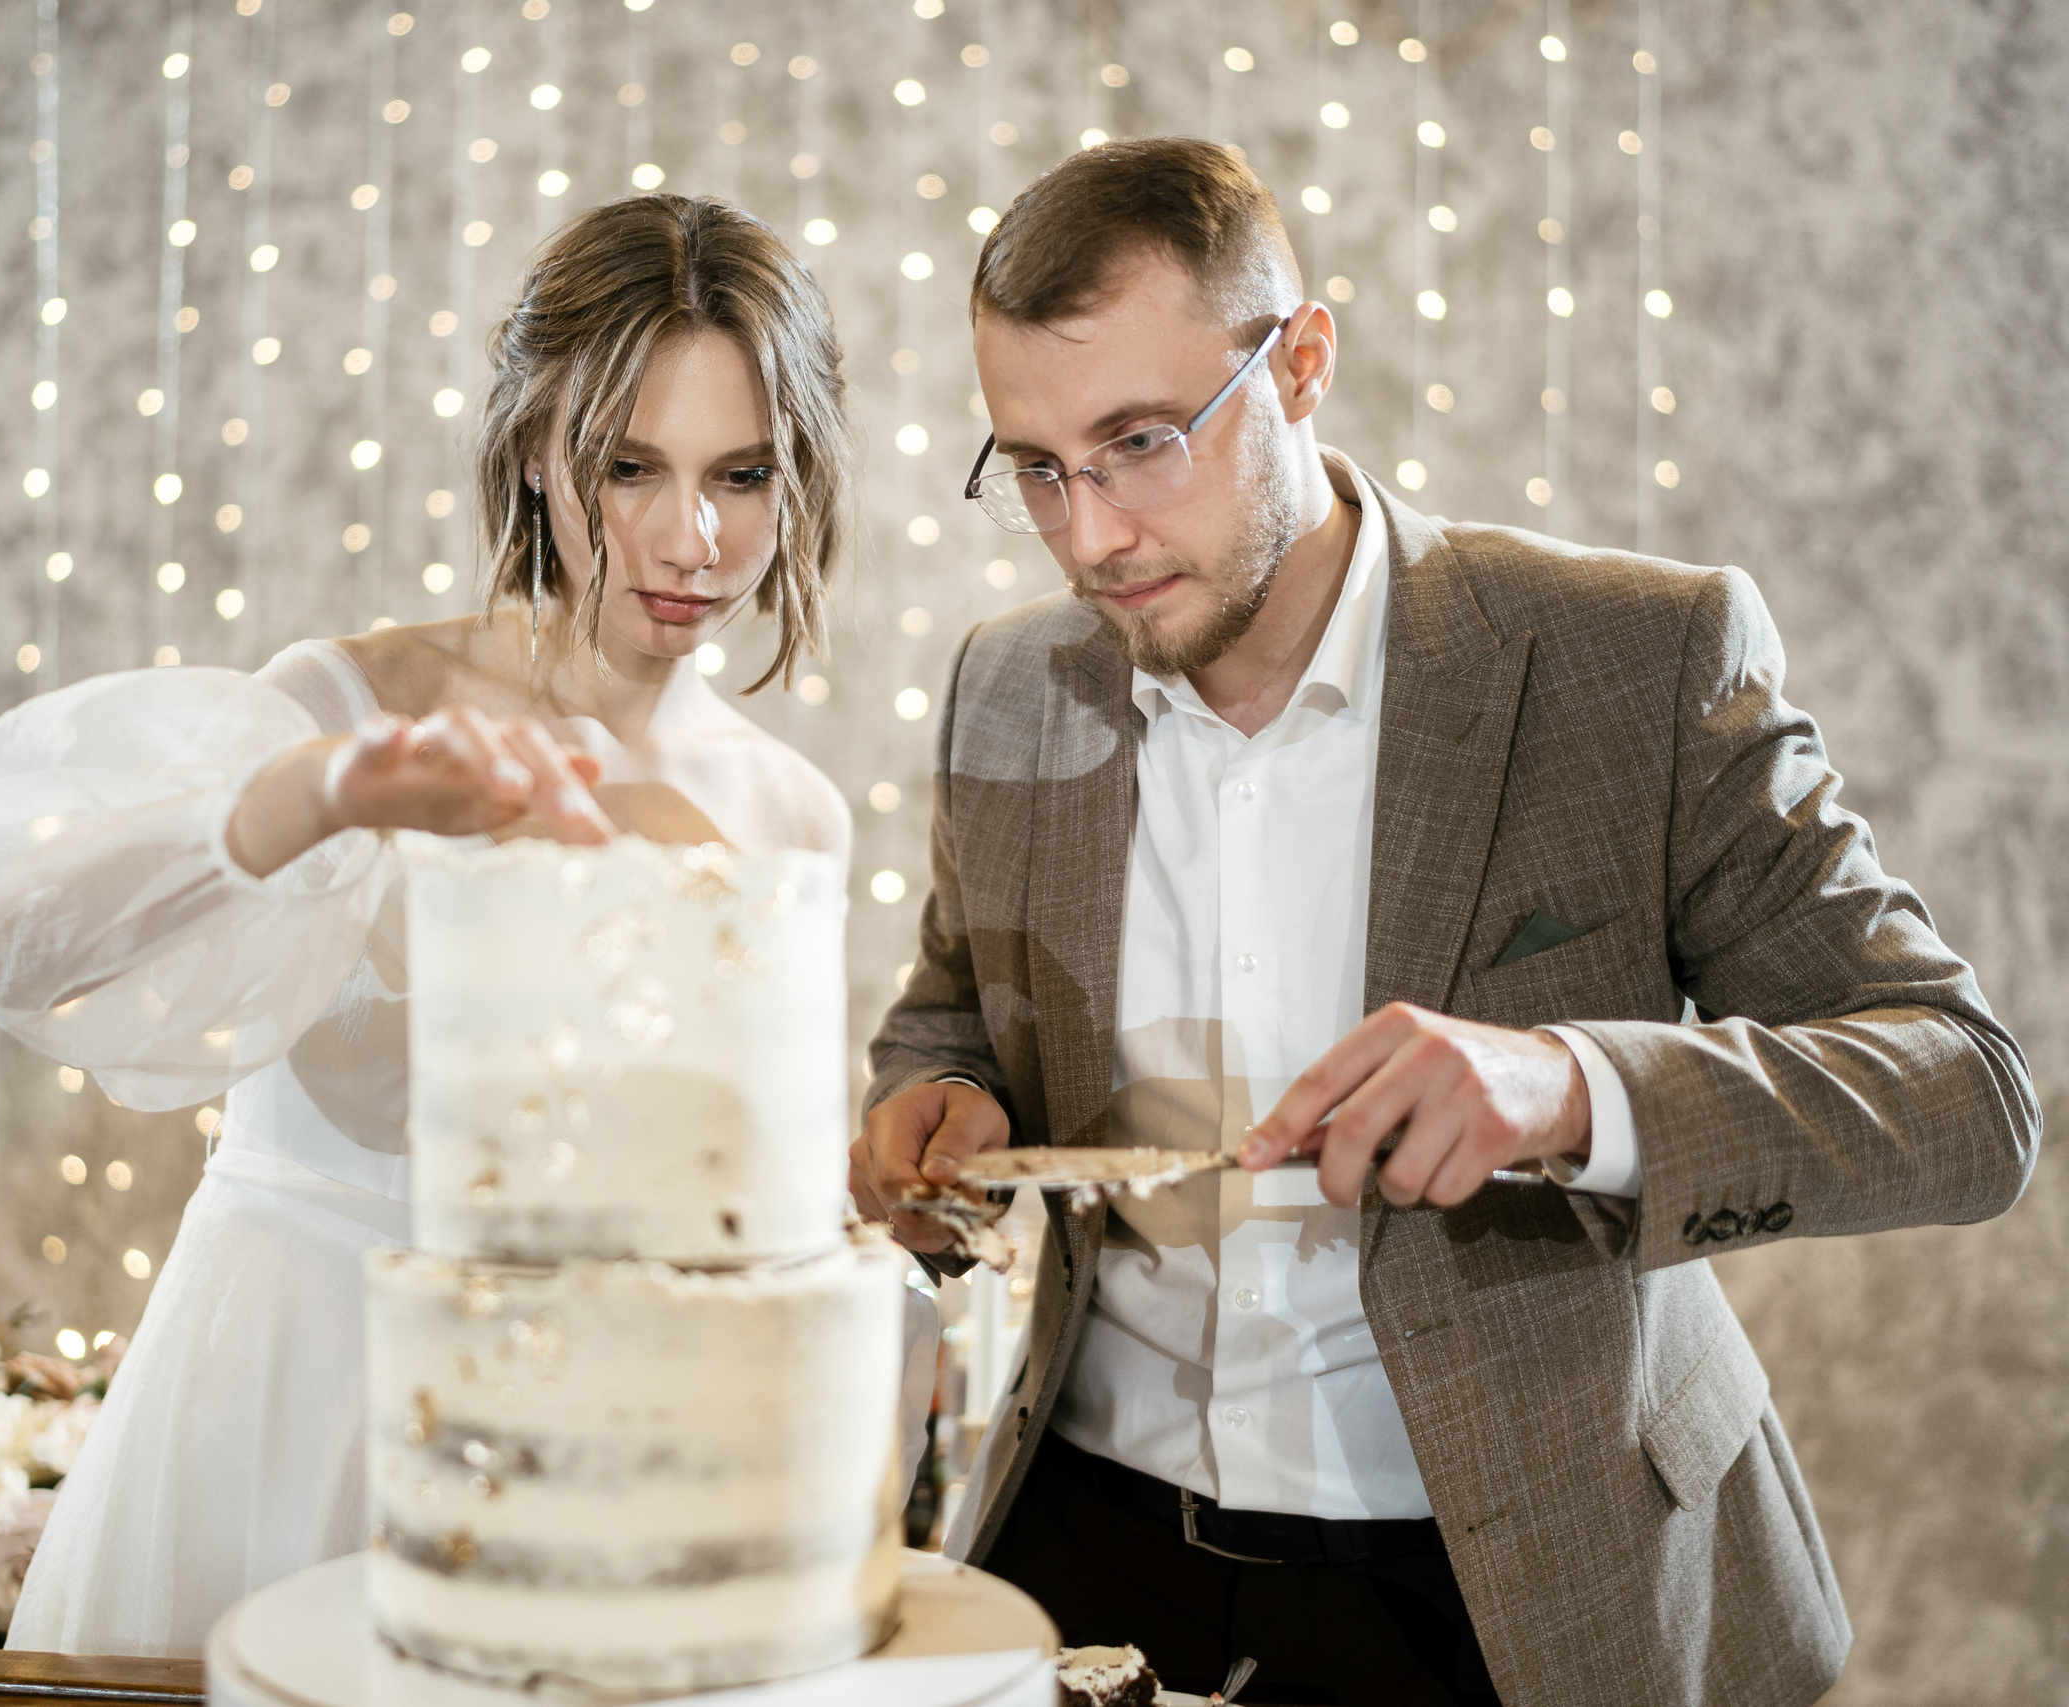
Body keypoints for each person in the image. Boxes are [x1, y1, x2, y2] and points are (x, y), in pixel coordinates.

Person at [850, 138, 2039, 1707]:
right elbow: (953, 1006)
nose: (1092, 538)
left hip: (1511, 1589)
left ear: (1304, 361)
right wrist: (933, 1107)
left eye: (1142, 443)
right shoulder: (1011, 681)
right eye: (1038, 469)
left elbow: (1964, 1096)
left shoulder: (1637, 658)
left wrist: (1569, 1090)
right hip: (1079, 1554)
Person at [0, 193, 867, 1656]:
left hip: (593, 1474)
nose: (694, 537)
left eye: (743, 474)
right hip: (293, 1412)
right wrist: (322, 796)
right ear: (536, 449)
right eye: (630, 468)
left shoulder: (793, 815)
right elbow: (20, 944)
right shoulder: (358, 703)